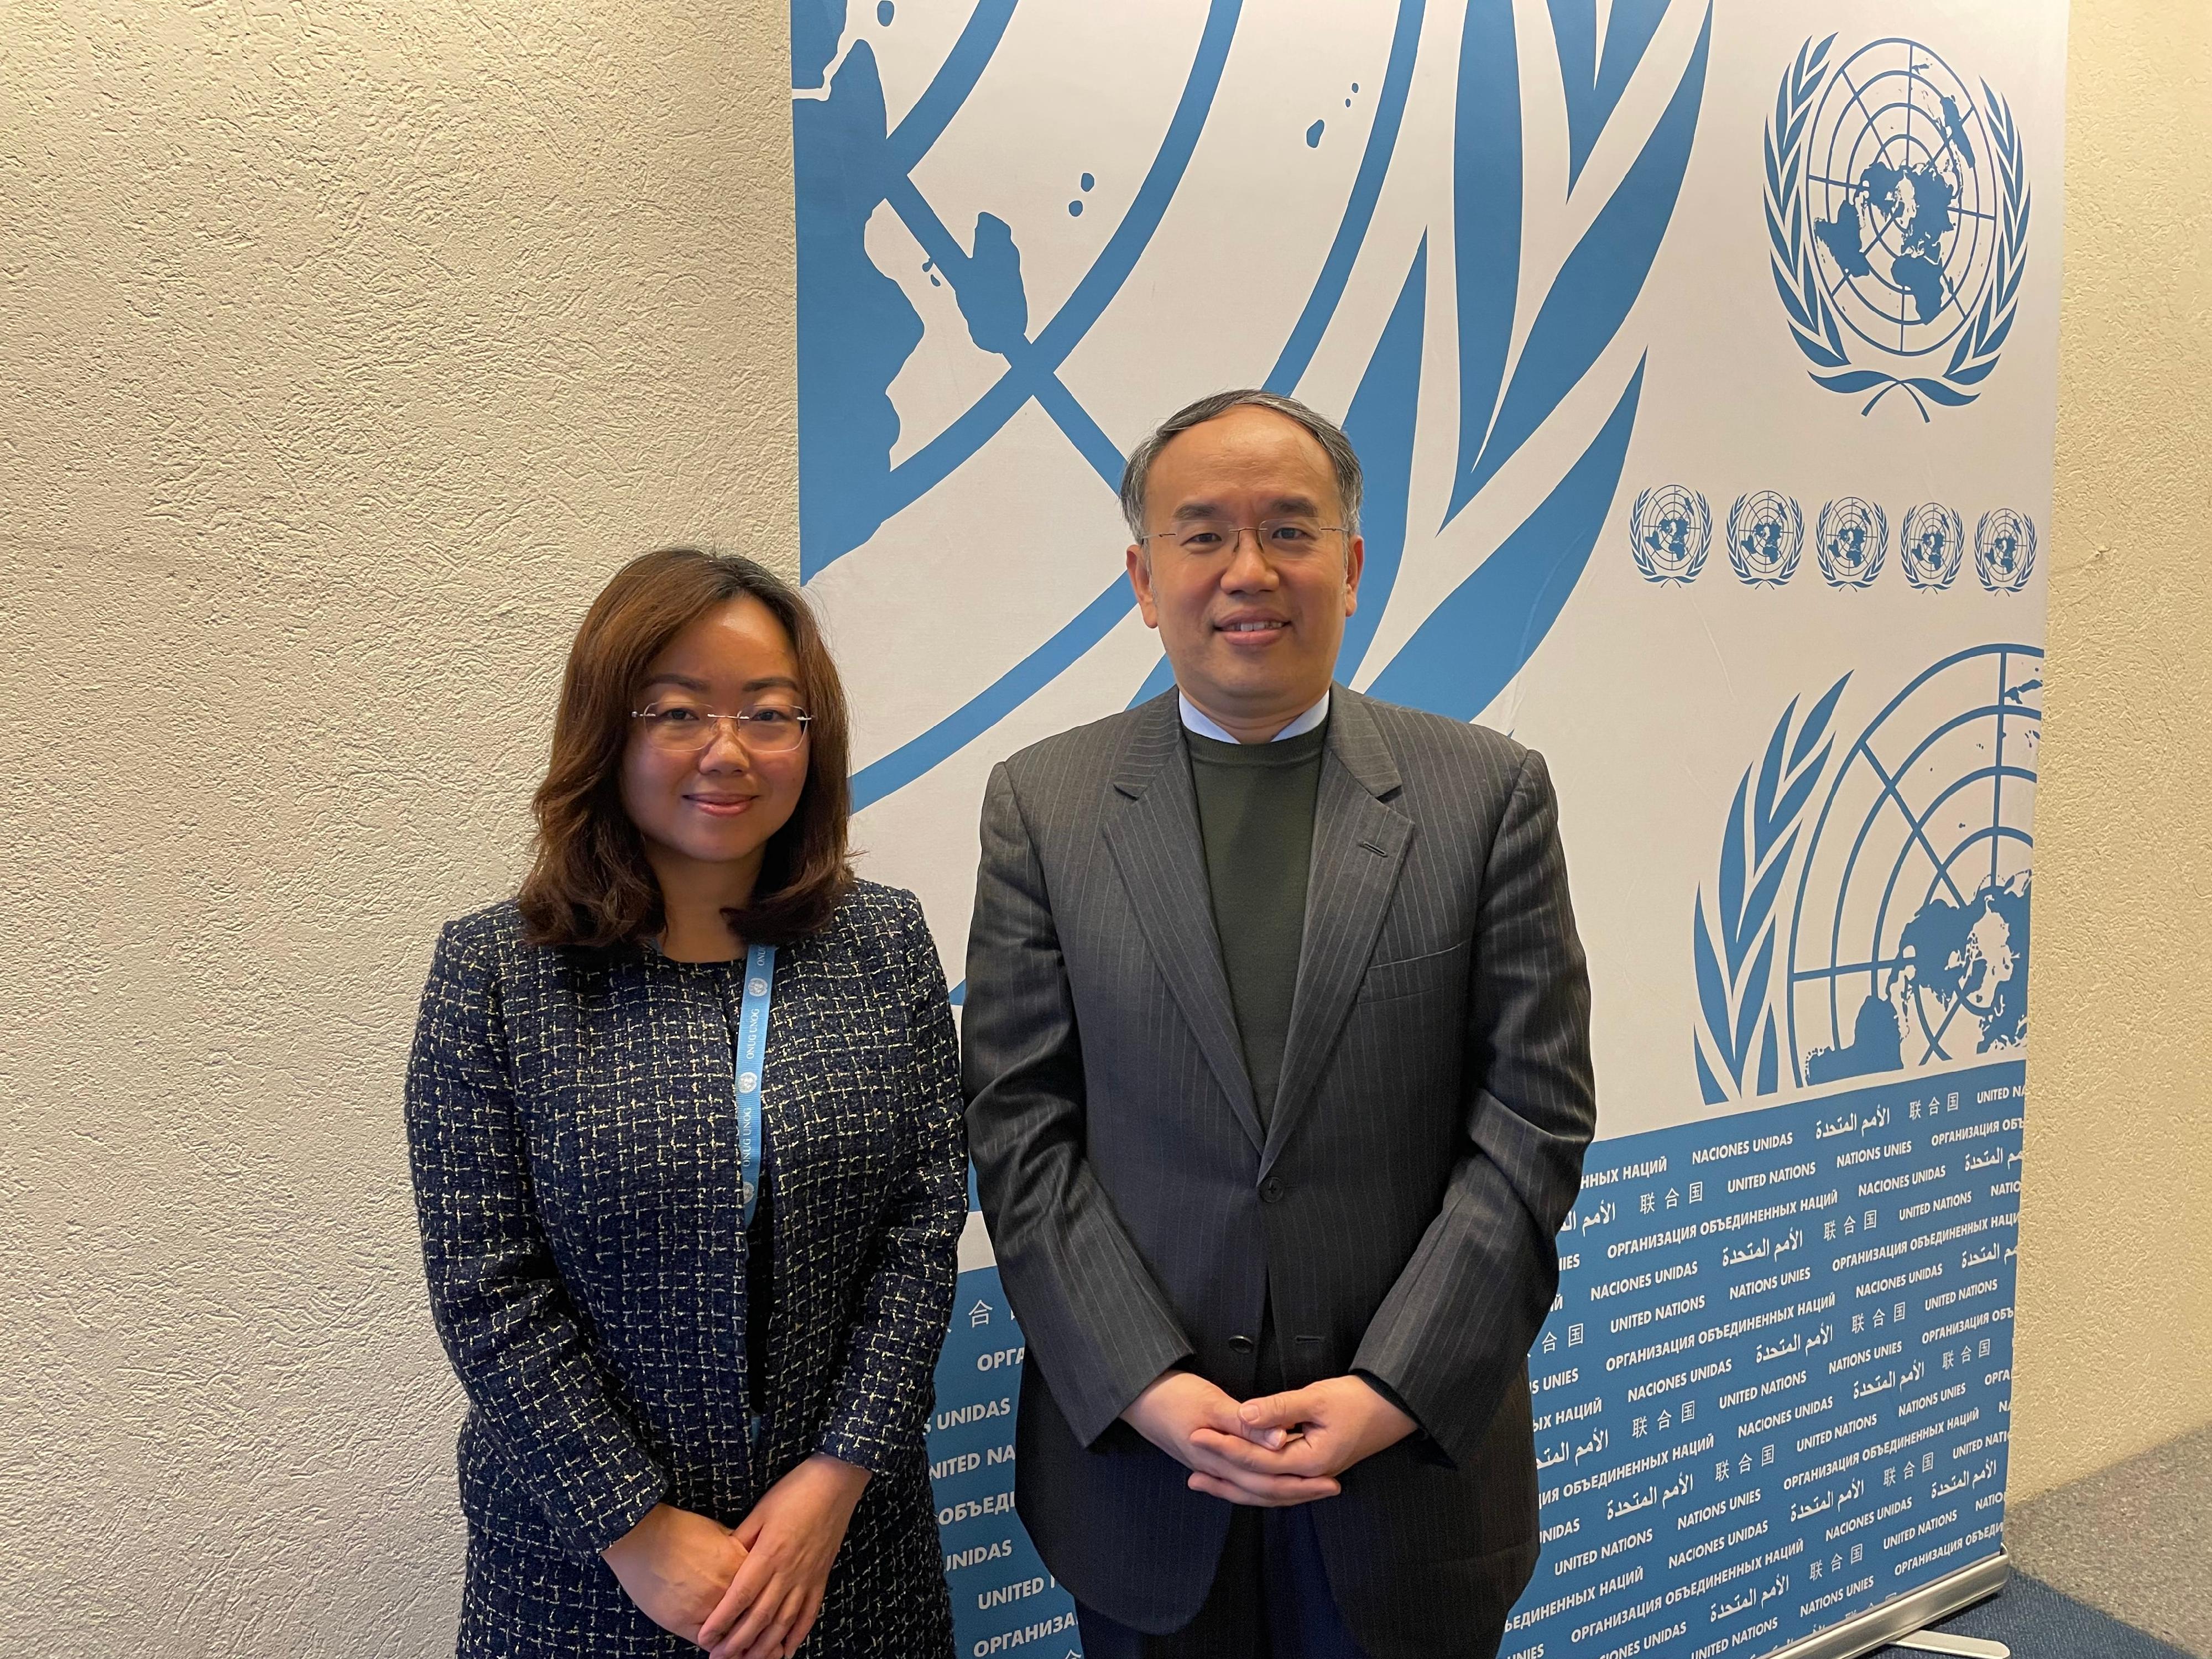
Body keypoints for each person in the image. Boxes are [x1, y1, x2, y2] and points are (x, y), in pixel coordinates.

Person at [962, 391, 1597, 1659]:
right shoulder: (1044, 803)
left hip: (1403, 1480)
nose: (1245, 572)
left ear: (1350, 567)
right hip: (1145, 1480)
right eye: (1200, 536)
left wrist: (1387, 1392)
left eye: (1288, 532)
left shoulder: (1485, 796)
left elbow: (1530, 1120)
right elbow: (1018, 1122)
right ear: (1142, 579)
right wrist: (1142, 1382)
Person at [405, 548, 964, 1659]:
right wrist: (633, 1529)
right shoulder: (496, 973)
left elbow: (922, 1223)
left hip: (846, 1552)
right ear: (606, 731)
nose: (728, 750)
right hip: (583, 1570)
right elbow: (486, 1284)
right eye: (677, 712)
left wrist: (835, 1478)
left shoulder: (882, 942)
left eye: (769, 712)